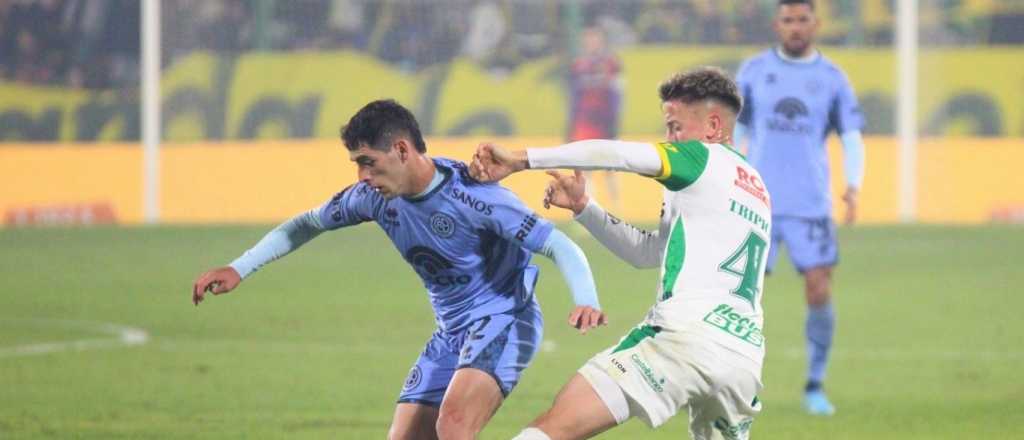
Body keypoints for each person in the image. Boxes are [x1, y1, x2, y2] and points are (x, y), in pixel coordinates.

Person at [190, 99, 607, 440]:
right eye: (356, 163)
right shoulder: (372, 198)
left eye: (368, 162)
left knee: (454, 425)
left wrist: (585, 299)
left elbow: (559, 245)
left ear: (402, 150)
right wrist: (240, 267)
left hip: (506, 319)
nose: (362, 176)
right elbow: (305, 224)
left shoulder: (476, 196)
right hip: (451, 331)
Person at [471, 67, 770, 440]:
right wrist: (585, 207)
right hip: (743, 356)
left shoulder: (700, 159)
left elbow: (617, 154)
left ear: (712, 127)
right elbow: (649, 254)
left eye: (675, 127)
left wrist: (521, 159)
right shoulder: (756, 188)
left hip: (684, 337)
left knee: (553, 428)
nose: (670, 138)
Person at [732, 0, 866, 416]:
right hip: (758, 202)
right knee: (740, 297)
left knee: (820, 291)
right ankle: (735, 383)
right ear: (777, 24)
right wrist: (730, 176)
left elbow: (851, 135)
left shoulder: (832, 78)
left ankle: (814, 385)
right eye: (788, 20)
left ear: (816, 24)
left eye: (802, 20)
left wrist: (853, 186)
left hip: (810, 205)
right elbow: (736, 127)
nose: (795, 27)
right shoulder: (753, 71)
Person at [567, 26, 623, 211]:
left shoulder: (611, 64)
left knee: (611, 167)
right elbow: (574, 97)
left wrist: (615, 119)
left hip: (605, 121)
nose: (591, 43)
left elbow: (618, 93)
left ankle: (616, 208)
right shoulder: (578, 65)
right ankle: (590, 211)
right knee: (585, 167)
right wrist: (571, 123)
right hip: (585, 122)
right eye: (588, 39)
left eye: (595, 39)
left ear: (601, 41)